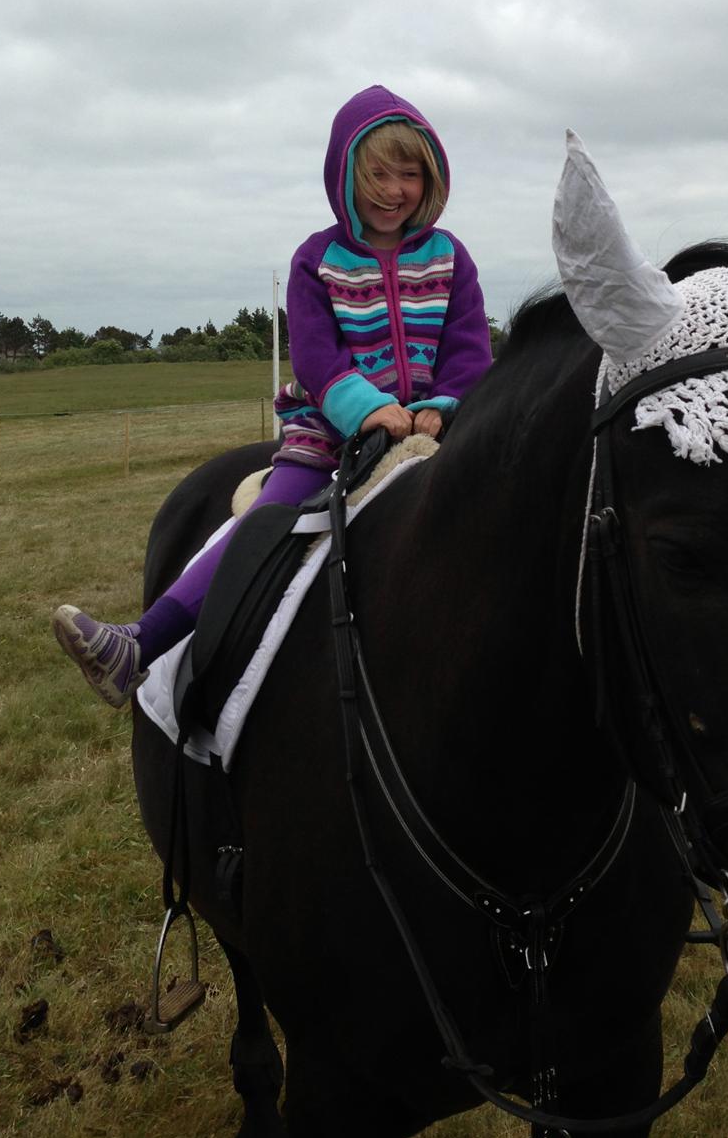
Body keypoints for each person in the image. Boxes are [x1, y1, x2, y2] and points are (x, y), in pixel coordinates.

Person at [53, 84, 493, 705]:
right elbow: (317, 356)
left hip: (434, 427)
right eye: (378, 173)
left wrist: (442, 405)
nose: (394, 190)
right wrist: (365, 407)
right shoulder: (317, 260)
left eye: (410, 174)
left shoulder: (452, 259)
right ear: (346, 174)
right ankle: (139, 646)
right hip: (329, 434)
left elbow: (469, 345)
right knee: (265, 525)